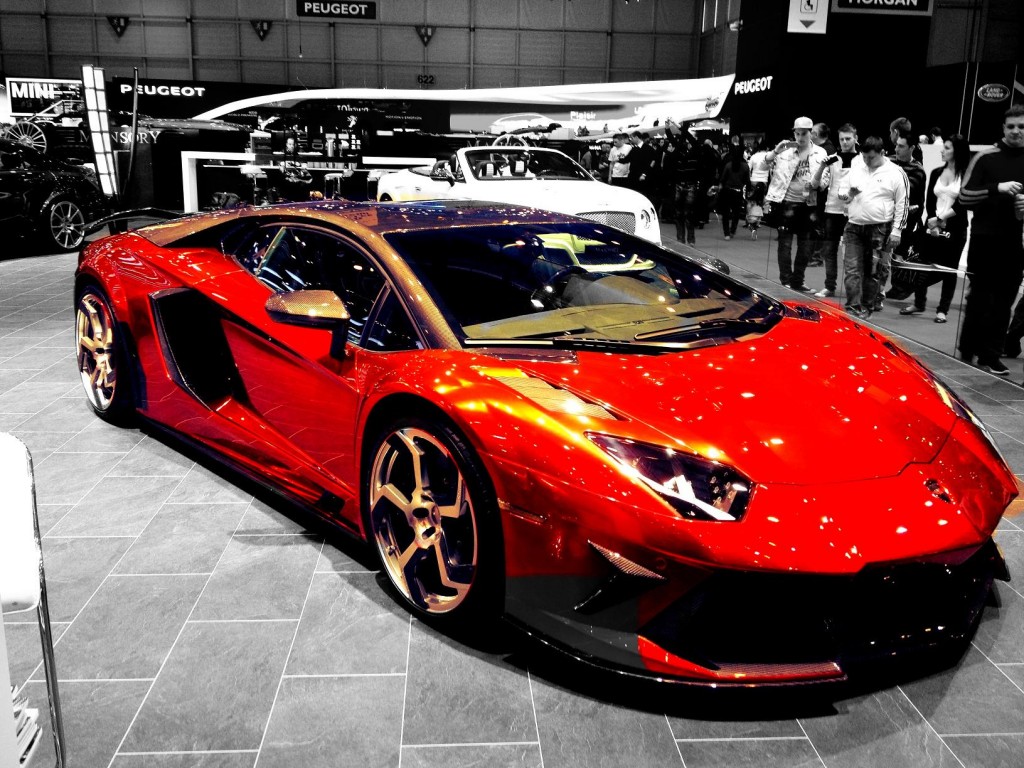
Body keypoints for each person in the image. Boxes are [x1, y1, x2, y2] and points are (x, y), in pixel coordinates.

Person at [957, 104, 1024, 375]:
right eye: (1011, 126)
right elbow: (964, 197)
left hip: (1014, 242)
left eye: (1021, 126)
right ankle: (968, 348)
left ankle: (991, 355)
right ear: (1003, 128)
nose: (1016, 131)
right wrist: (997, 188)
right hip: (984, 241)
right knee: (980, 299)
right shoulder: (985, 157)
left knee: (1005, 301)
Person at [898, 134, 969, 323]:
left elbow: (963, 203)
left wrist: (940, 219)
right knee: (922, 264)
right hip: (932, 225)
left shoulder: (966, 175)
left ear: (957, 151)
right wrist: (932, 221)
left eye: (947, 147)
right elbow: (929, 199)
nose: (942, 150)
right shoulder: (937, 172)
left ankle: (942, 310)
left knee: (949, 270)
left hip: (955, 228)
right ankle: (918, 303)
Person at [842, 135, 909, 318]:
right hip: (853, 225)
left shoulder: (896, 172)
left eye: (871, 157)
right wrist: (848, 195)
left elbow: (902, 204)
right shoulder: (856, 166)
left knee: (872, 271)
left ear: (882, 153)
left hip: (879, 229)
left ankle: (867, 307)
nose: (867, 161)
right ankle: (852, 307)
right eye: (864, 157)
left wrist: (897, 230)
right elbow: (844, 194)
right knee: (851, 269)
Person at [763, 116, 830, 292]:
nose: (800, 137)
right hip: (786, 203)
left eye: (804, 134)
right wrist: (775, 151)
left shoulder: (820, 153)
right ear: (794, 133)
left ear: (811, 134)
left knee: (806, 246)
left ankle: (797, 281)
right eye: (797, 133)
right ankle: (786, 280)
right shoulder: (785, 151)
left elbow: (825, 181)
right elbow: (763, 165)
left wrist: (818, 183)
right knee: (784, 244)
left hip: (808, 204)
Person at [814, 123, 858, 298]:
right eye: (842, 139)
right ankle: (829, 286)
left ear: (855, 138)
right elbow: (819, 185)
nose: (845, 142)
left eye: (848, 139)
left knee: (852, 254)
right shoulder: (832, 159)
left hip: (854, 211)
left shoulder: (862, 160)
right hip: (832, 210)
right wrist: (821, 167)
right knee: (829, 250)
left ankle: (853, 289)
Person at [884, 132, 927, 308]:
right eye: (896, 145)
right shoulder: (887, 161)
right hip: (885, 215)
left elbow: (913, 195)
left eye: (901, 146)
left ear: (912, 148)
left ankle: (899, 287)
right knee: (883, 253)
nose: (897, 149)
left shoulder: (918, 170)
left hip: (908, 219)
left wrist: (912, 218)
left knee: (899, 253)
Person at [715, 143, 749, 240]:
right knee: (736, 213)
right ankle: (733, 230)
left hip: (727, 190)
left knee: (725, 213)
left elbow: (723, 178)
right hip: (738, 191)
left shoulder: (728, 165)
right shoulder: (745, 166)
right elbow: (747, 180)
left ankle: (726, 233)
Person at [626, 130, 657, 203]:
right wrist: (616, 159)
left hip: (644, 178)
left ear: (636, 137)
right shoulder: (634, 149)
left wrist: (644, 174)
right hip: (633, 177)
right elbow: (627, 159)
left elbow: (652, 162)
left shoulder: (648, 148)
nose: (631, 140)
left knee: (644, 197)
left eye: (632, 138)